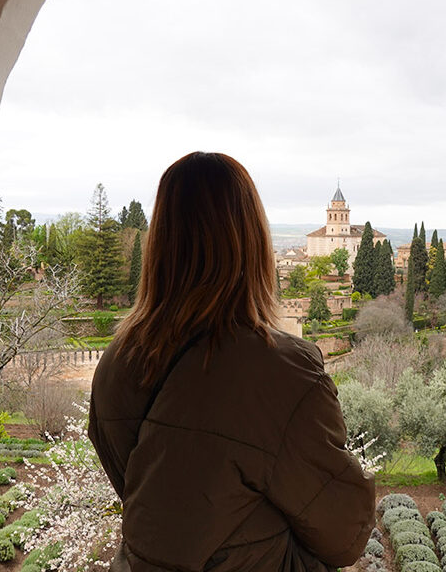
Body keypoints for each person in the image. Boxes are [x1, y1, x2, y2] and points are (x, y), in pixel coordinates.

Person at [88, 152, 375, 571]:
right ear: (253, 239)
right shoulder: (282, 373)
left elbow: (152, 499)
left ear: (161, 241)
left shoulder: (116, 364)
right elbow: (345, 533)